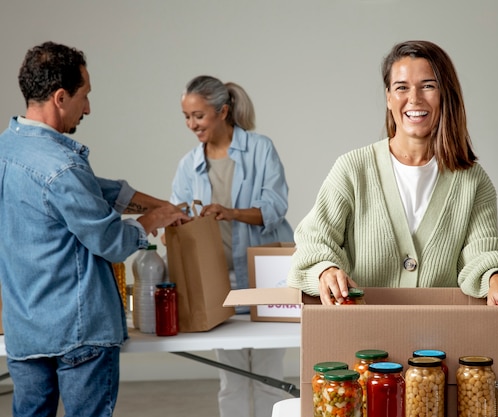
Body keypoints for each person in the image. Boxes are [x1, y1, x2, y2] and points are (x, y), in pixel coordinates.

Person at [0, 41, 190, 417]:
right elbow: (110, 242)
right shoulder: (61, 166)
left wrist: (156, 204)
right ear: (59, 97)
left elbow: (90, 190)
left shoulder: (8, 150)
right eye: (83, 97)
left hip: (25, 330)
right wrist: (152, 222)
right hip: (77, 333)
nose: (88, 108)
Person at [287, 40, 498, 313]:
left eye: (428, 86)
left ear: (445, 94)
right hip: (363, 341)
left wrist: (495, 277)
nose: (415, 99)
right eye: (402, 87)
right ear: (388, 97)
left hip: (442, 343)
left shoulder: (473, 180)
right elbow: (314, 240)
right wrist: (326, 270)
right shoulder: (352, 169)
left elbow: (482, 248)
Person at [167, 75, 294, 417]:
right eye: (186, 117)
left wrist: (232, 213)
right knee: (232, 381)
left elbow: (275, 207)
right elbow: (178, 214)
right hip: (219, 286)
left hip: (267, 282)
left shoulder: (260, 149)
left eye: (199, 116)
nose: (192, 124)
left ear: (223, 111)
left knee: (269, 379)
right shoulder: (188, 165)